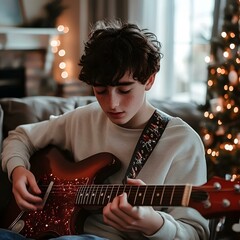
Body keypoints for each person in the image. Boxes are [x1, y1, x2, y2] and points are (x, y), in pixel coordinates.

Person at [0, 20, 209, 240]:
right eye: (101, 91)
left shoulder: (182, 141)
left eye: (124, 89)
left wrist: (154, 224)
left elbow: (196, 233)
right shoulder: (84, 118)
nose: (112, 104)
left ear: (149, 80)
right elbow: (20, 136)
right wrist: (18, 170)